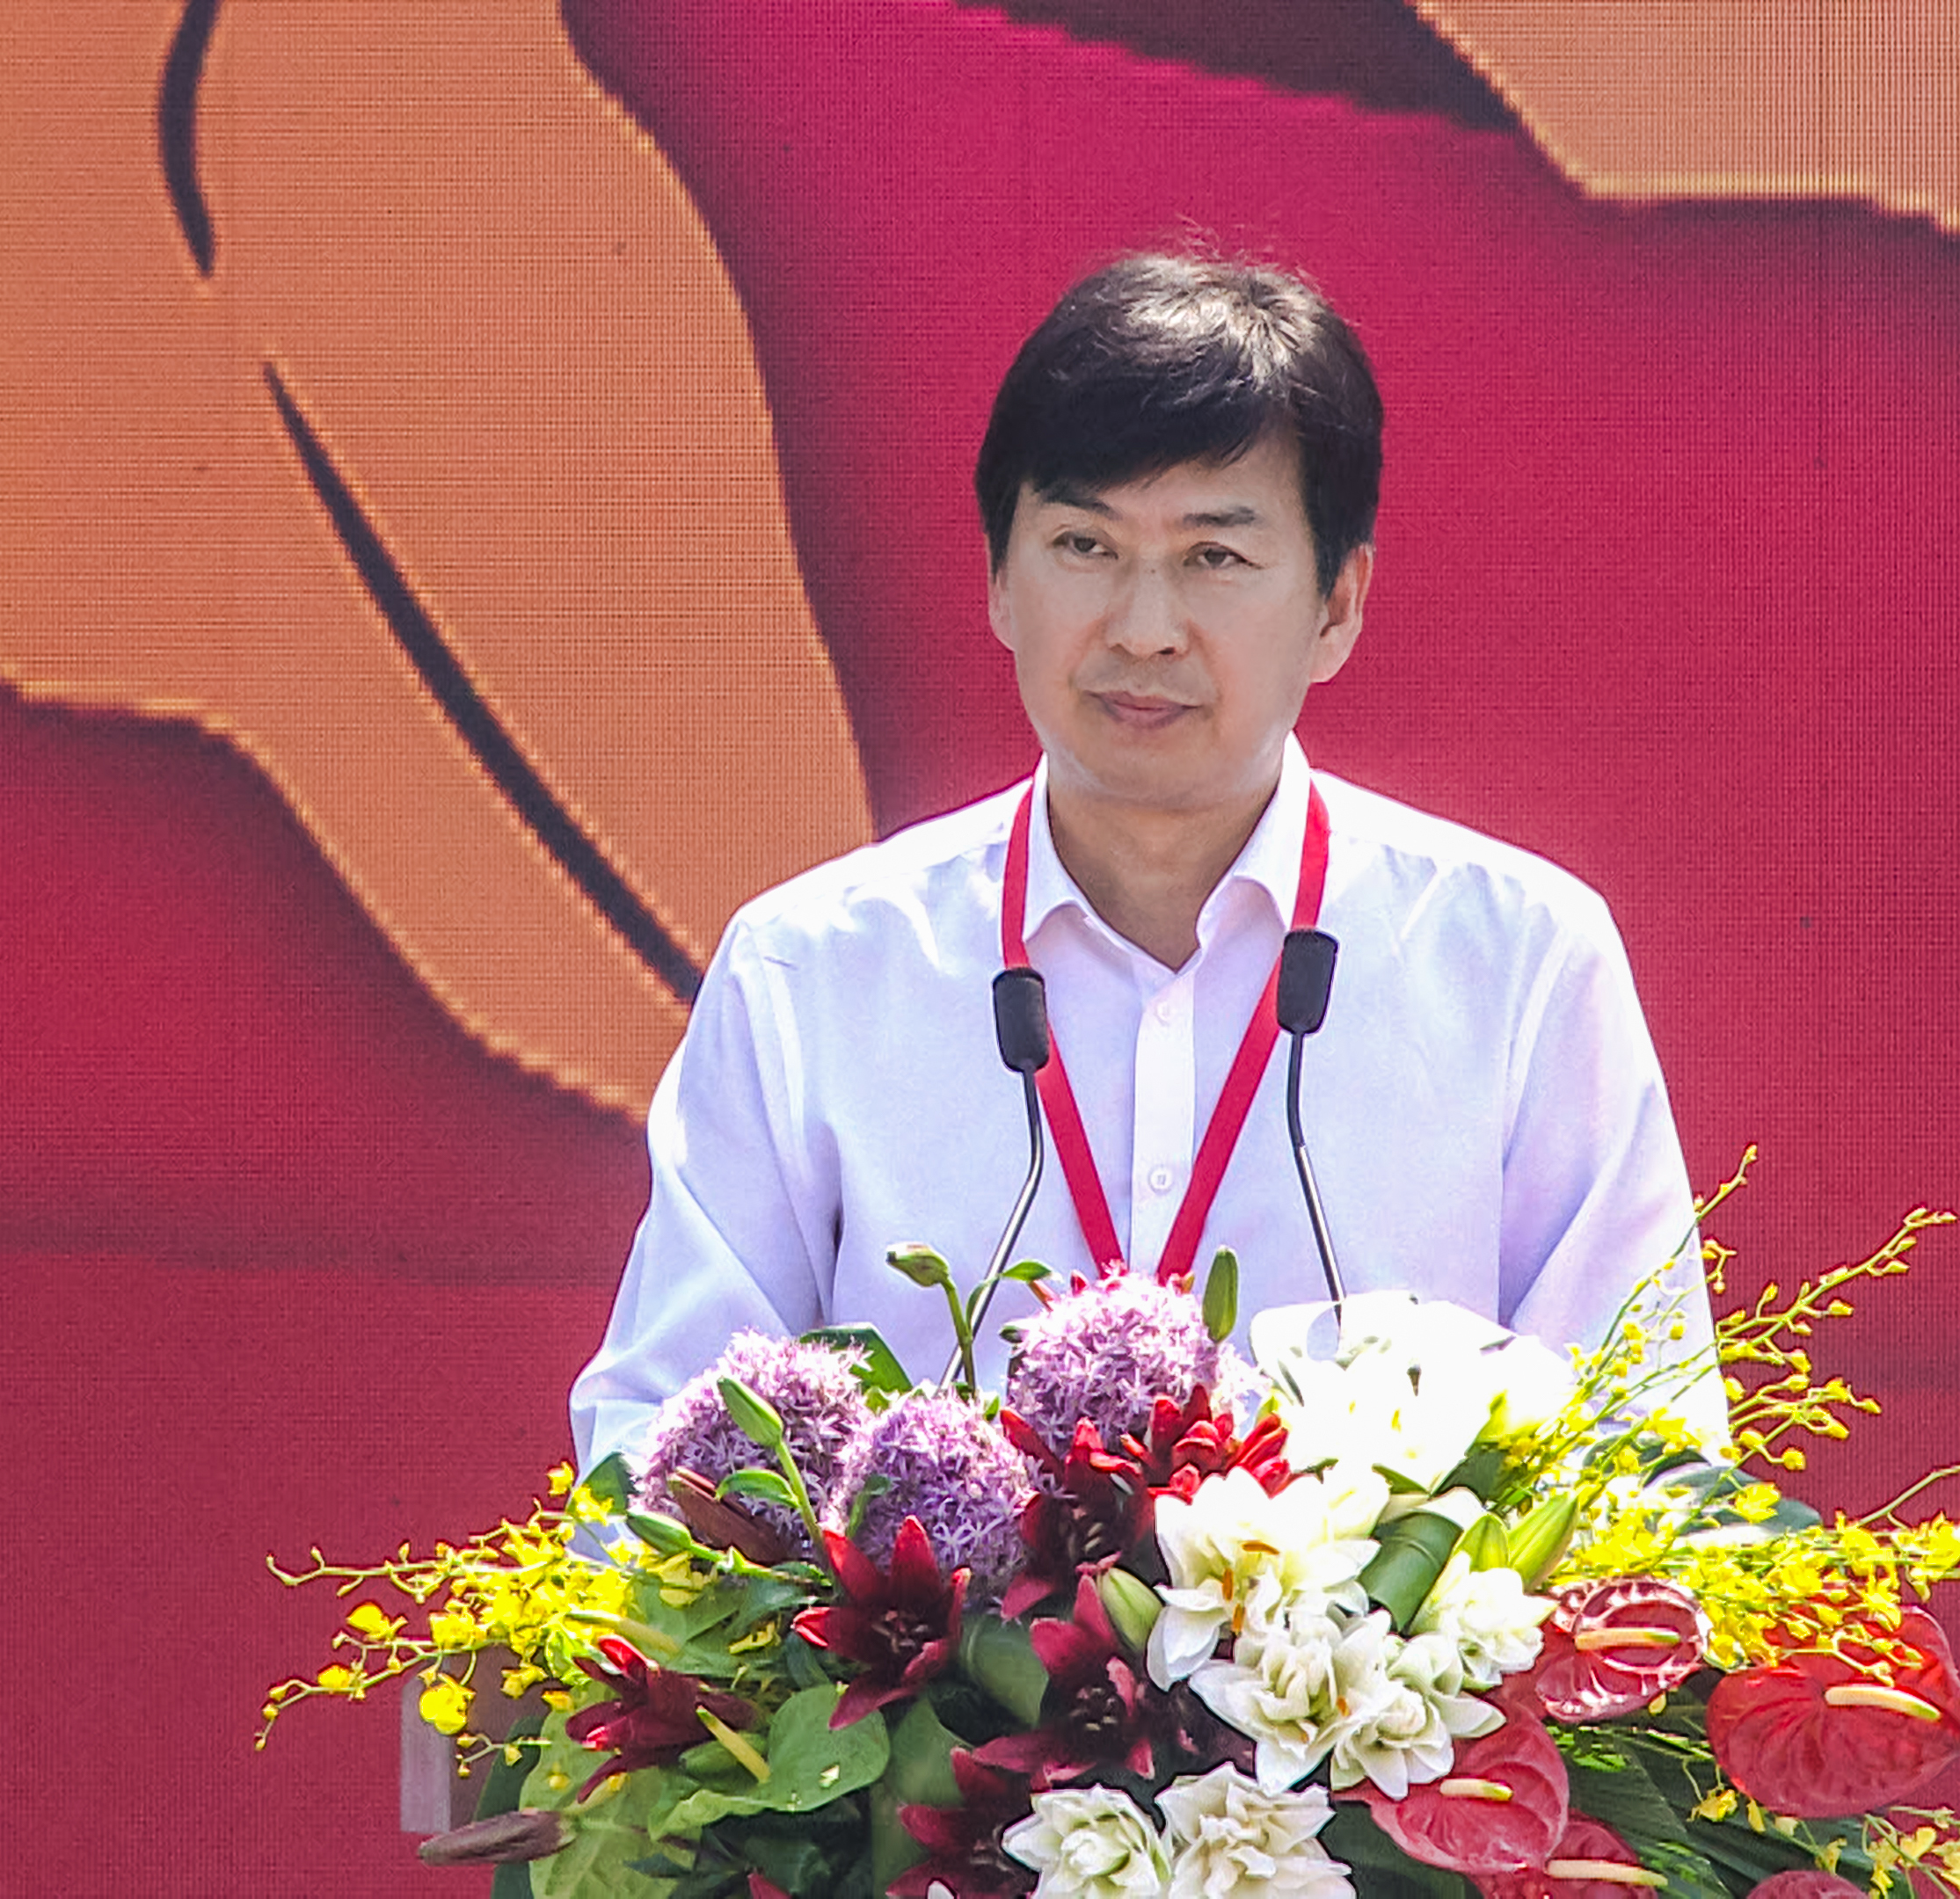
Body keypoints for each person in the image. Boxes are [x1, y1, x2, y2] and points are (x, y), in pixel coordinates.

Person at [569, 253, 1698, 1467]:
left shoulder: (1519, 962)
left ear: (1338, 604)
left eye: (1215, 557)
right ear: (999, 580)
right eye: (1084, 544)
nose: (1145, 629)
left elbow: (1645, 1458)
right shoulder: (813, 974)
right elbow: (662, 1453)